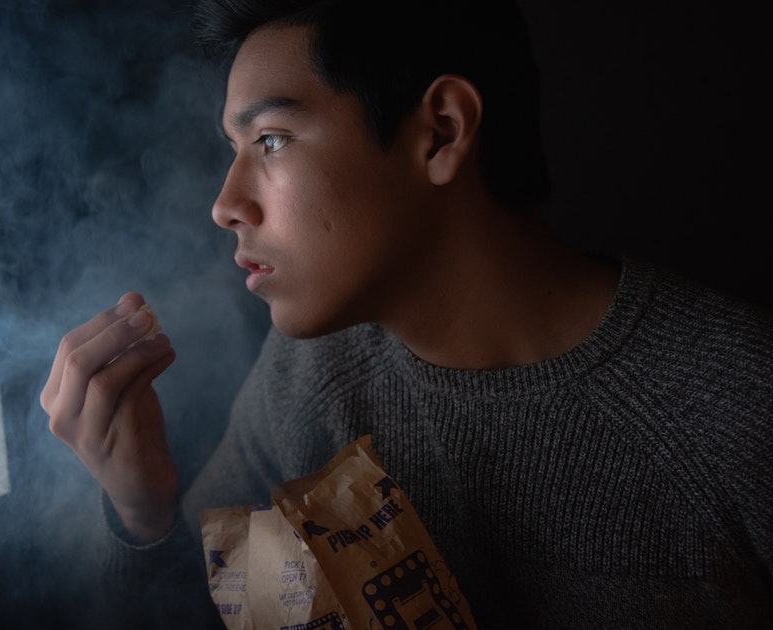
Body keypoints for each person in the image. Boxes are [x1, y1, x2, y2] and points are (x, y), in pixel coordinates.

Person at [41, 0, 773, 627]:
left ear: (442, 133)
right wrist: (141, 513)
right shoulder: (307, 378)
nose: (225, 205)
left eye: (270, 141)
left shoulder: (738, 408)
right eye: (234, 150)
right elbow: (203, 614)